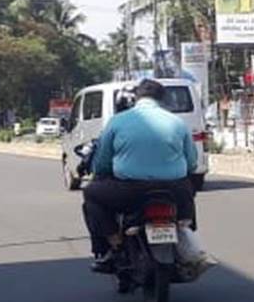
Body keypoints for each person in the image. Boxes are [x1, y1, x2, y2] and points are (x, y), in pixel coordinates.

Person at [82, 79, 208, 273]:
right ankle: (185, 235)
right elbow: (192, 162)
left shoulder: (117, 121)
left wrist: (101, 172)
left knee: (91, 194)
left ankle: (112, 244)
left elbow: (102, 162)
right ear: (163, 99)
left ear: (136, 98)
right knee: (186, 194)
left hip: (130, 191)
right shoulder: (177, 122)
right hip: (175, 190)